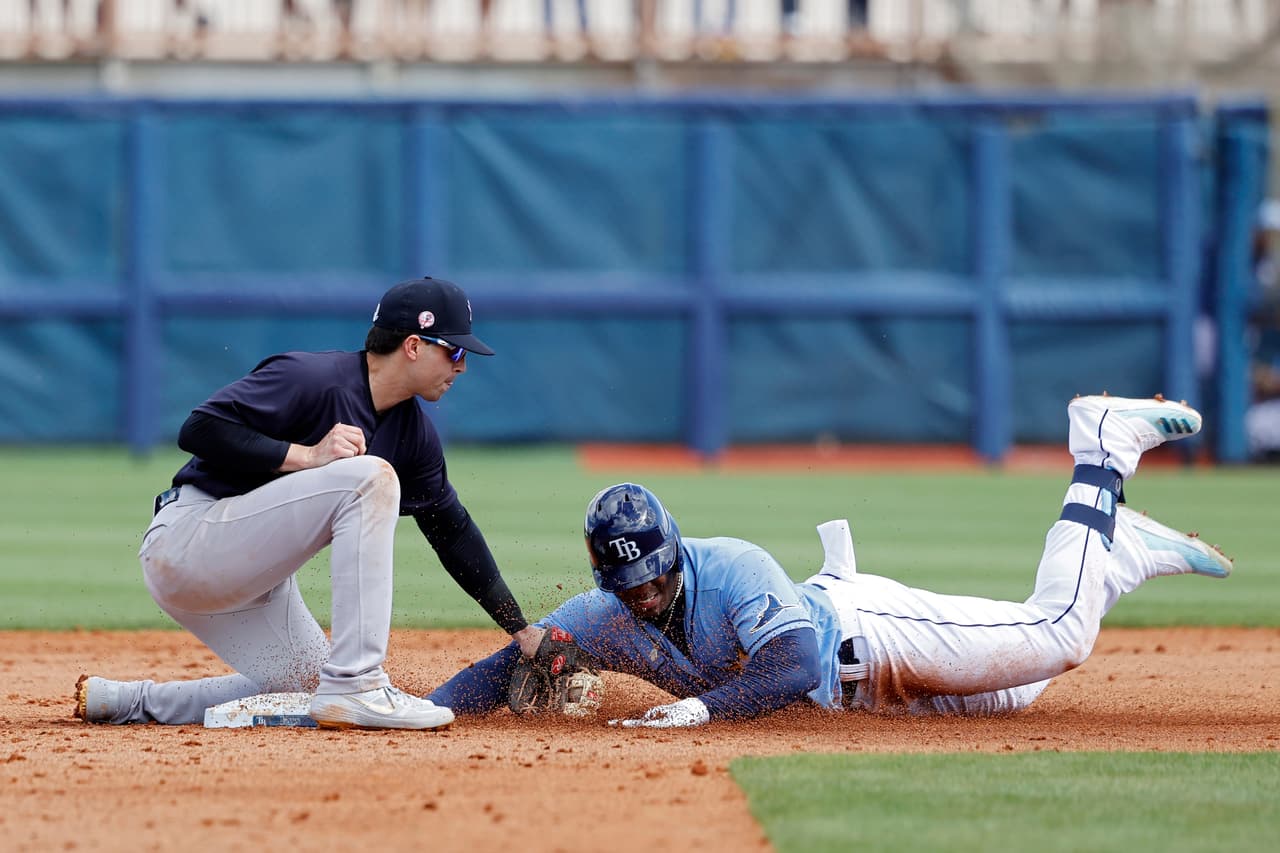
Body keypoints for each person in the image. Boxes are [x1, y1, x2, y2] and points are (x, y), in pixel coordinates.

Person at [428, 394, 1232, 726]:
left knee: (1058, 634)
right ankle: (1118, 552)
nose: (644, 593)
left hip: (871, 635)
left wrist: (698, 710)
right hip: (859, 698)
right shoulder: (603, 615)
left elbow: (794, 665)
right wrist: (427, 710)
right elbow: (509, 666)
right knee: (1020, 691)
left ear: (674, 550)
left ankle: (1100, 449)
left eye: (655, 574)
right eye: (628, 583)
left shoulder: (732, 565)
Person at [76, 276, 546, 730]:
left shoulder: (414, 435)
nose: (462, 366)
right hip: (190, 540)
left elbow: (451, 530)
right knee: (371, 477)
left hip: (253, 583)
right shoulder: (313, 378)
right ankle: (358, 683)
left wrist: (521, 631)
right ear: (413, 345)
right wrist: (306, 456)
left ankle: (131, 701)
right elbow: (198, 429)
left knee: (312, 690)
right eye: (454, 351)